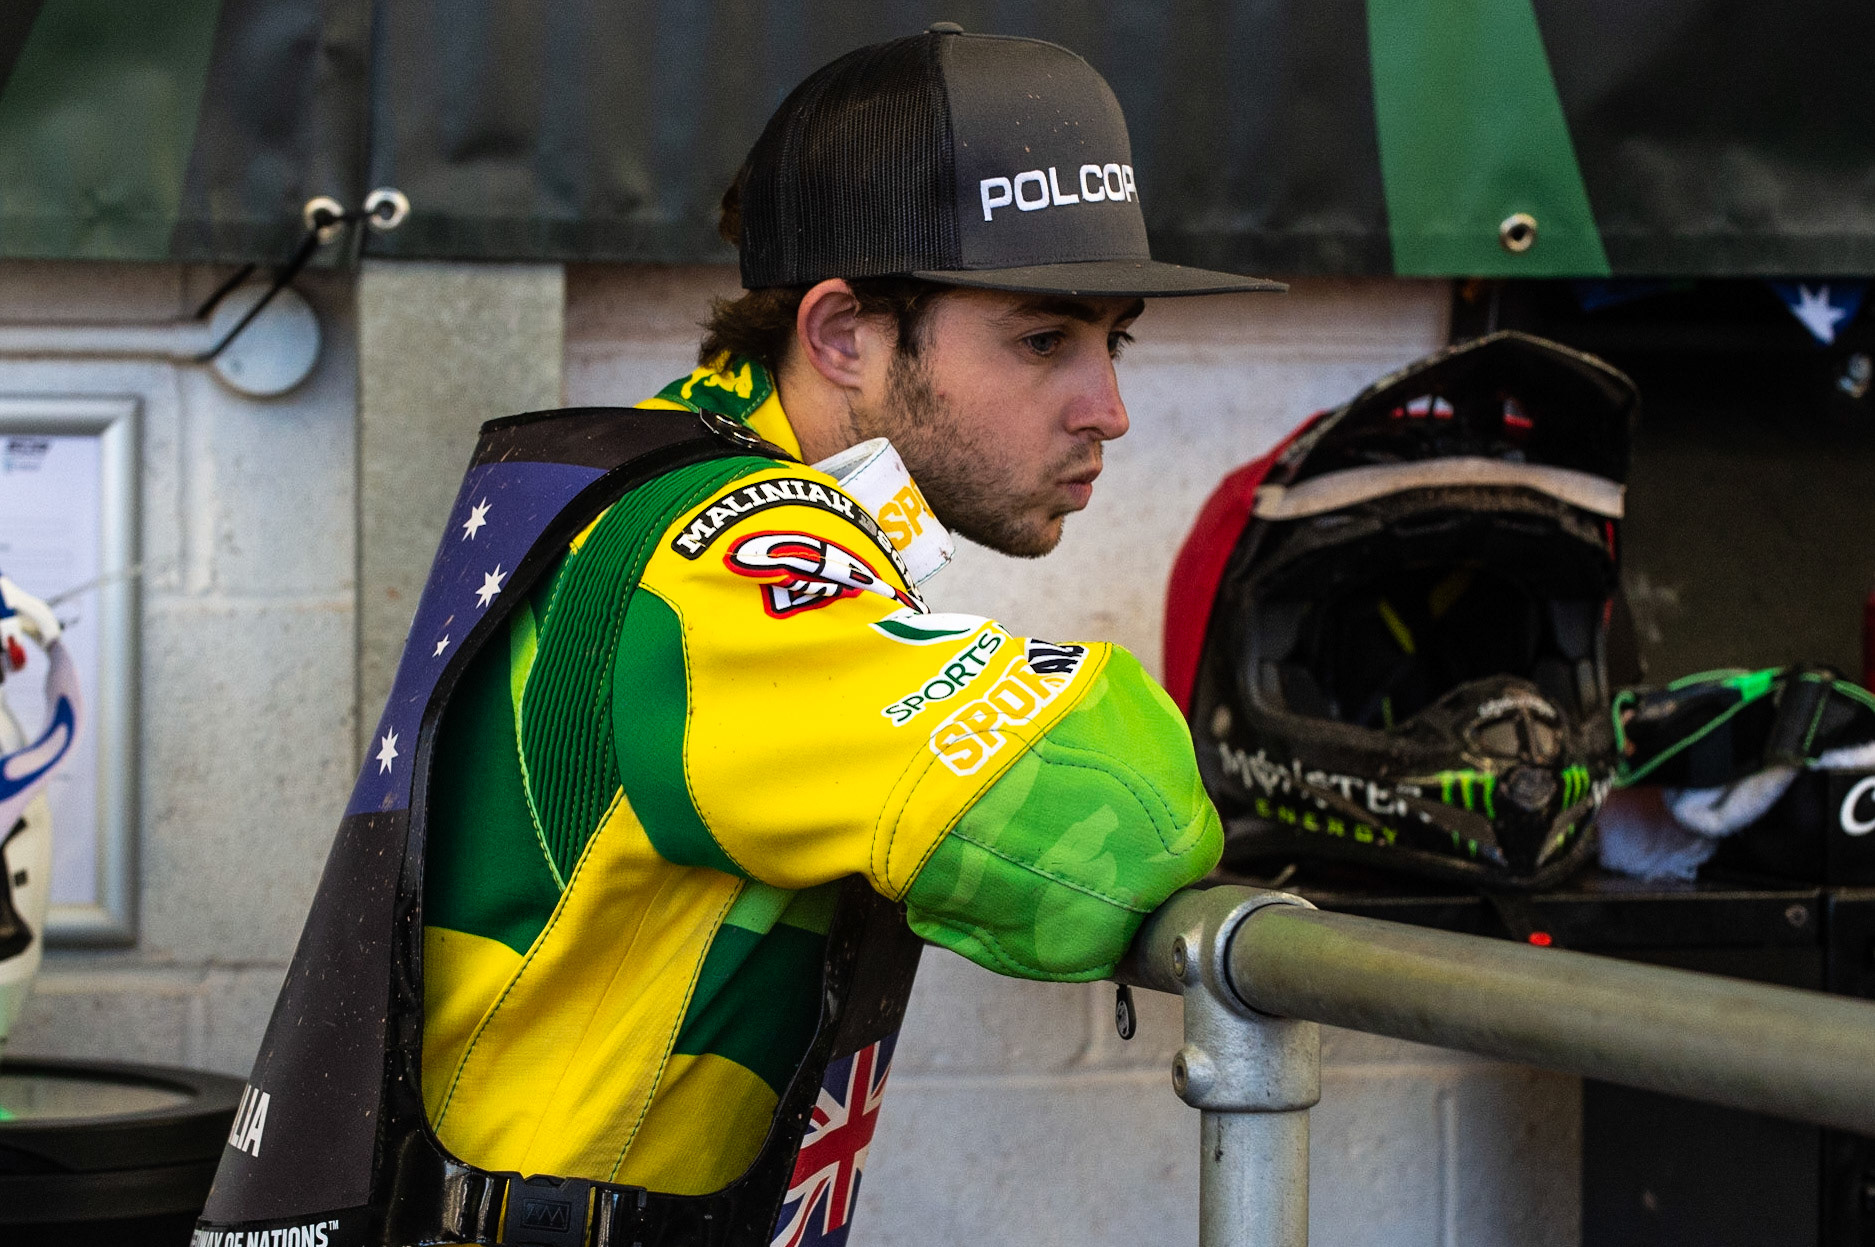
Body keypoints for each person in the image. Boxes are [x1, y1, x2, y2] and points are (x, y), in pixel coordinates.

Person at [201, 24, 1283, 1247]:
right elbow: (1107, 841)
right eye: (1044, 340)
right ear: (841, 335)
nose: (1111, 409)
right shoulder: (723, 551)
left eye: (1113, 337)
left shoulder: (665, 460)